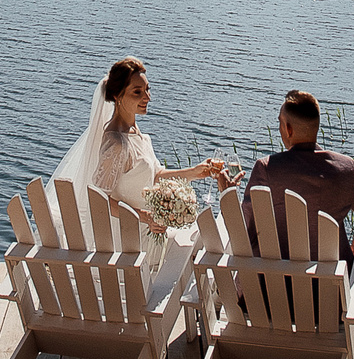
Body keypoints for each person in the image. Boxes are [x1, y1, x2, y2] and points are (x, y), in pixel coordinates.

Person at [51, 56, 234, 244]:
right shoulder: (116, 144)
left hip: (147, 228)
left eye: (147, 89)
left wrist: (195, 172)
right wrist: (145, 217)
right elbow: (99, 201)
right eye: (137, 92)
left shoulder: (137, 135)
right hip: (128, 238)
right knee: (200, 240)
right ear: (117, 96)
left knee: (200, 236)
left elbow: (155, 176)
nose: (147, 97)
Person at [245, 89, 354, 259]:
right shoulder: (345, 168)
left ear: (288, 129)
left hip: (273, 282)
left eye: (280, 122)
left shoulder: (266, 168)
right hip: (332, 282)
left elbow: (245, 231)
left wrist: (225, 190)